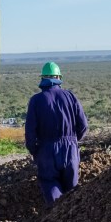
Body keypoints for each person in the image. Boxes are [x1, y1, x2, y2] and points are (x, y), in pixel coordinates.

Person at [24, 61, 88, 207]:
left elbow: (30, 131)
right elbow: (83, 125)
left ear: (42, 79)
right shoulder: (70, 96)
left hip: (46, 151)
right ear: (59, 77)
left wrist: (35, 150)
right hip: (70, 148)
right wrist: (73, 140)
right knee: (72, 192)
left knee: (50, 185)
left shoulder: (36, 100)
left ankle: (57, 220)